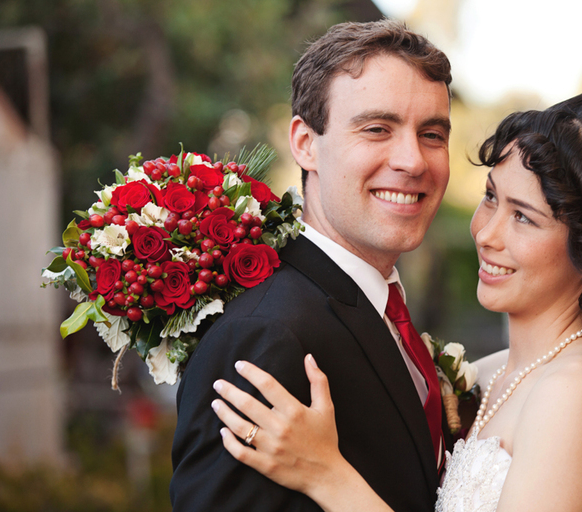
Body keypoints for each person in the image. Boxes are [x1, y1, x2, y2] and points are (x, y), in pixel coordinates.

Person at [210, 88, 582, 511]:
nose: (487, 234)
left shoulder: (578, 391)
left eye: (524, 218)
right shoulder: (496, 371)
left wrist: (325, 475)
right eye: (492, 197)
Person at [170, 20, 455, 511]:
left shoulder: (379, 309)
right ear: (305, 143)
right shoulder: (267, 337)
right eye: (377, 129)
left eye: (432, 134)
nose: (413, 160)